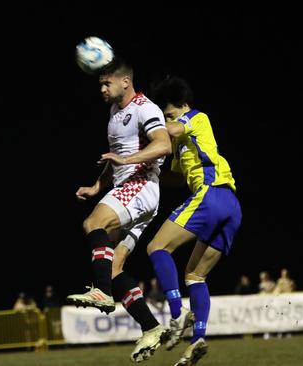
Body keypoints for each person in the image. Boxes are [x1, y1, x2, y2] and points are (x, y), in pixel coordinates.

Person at [65, 58, 172, 362]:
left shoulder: (144, 108)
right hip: (131, 192)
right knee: (113, 268)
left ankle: (101, 292)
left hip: (141, 185)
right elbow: (116, 158)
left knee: (92, 223)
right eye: (100, 83)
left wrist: (126, 162)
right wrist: (98, 185)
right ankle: (150, 327)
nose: (102, 88)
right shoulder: (114, 112)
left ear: (125, 81)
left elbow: (163, 144)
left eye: (106, 83)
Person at [146, 75, 242, 366]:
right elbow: (175, 176)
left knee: (156, 248)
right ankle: (198, 337)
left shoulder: (196, 117)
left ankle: (177, 314)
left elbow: (174, 129)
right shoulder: (181, 143)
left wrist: (151, 128)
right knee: (195, 277)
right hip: (230, 206)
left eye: (170, 114)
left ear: (184, 106)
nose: (167, 120)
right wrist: (147, 170)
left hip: (211, 195)